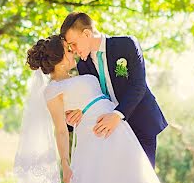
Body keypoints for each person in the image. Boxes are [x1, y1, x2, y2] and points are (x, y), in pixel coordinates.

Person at [10, 35, 189, 183]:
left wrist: (83, 112)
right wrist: (65, 163)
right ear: (60, 58)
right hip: (95, 137)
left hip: (119, 131)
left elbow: (92, 100)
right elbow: (61, 131)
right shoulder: (52, 91)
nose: (74, 52)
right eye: (68, 50)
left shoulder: (80, 73)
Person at [60, 12, 167, 168]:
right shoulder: (83, 65)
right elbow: (91, 99)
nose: (73, 50)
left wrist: (117, 115)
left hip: (141, 124)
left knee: (142, 180)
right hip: (111, 134)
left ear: (87, 34)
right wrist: (74, 119)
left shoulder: (126, 44)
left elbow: (138, 85)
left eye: (74, 44)